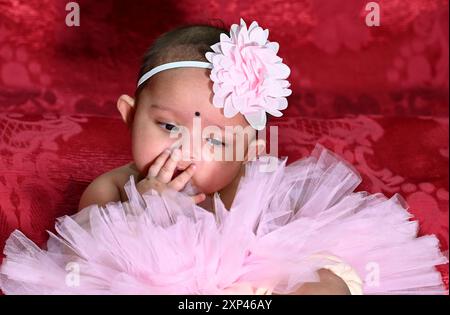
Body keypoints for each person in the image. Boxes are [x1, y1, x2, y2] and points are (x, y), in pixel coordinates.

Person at [0, 19, 447, 295]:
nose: (186, 149)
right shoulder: (115, 186)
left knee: (330, 278)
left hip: (255, 290)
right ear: (129, 116)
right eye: (169, 126)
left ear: (246, 152)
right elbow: (78, 250)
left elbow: (296, 235)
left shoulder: (251, 183)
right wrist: (143, 207)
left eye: (215, 140)